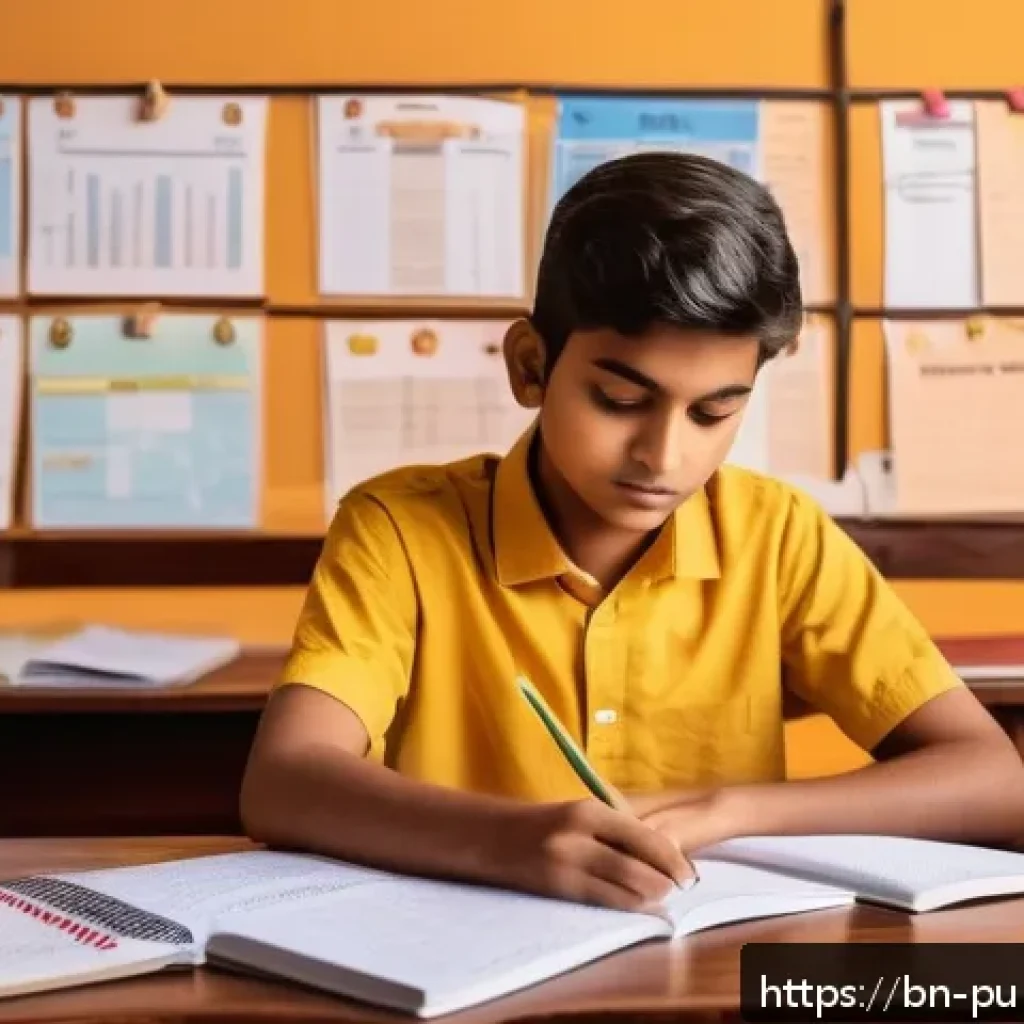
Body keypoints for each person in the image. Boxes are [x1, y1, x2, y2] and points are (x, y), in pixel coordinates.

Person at [241, 152, 1024, 915]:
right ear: (530, 366)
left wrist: (731, 810)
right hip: (464, 955)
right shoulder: (400, 529)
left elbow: (997, 780)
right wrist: (507, 842)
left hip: (708, 967)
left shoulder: (778, 535)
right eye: (619, 400)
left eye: (714, 411)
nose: (664, 455)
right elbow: (284, 779)